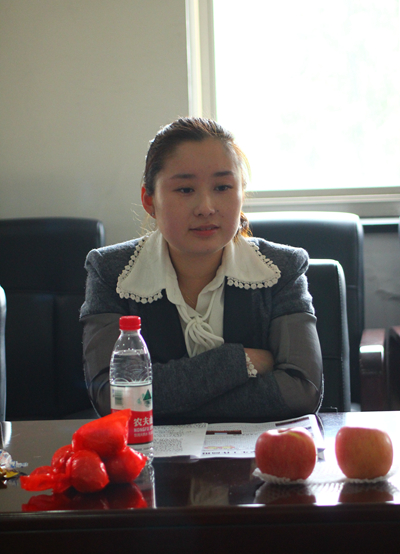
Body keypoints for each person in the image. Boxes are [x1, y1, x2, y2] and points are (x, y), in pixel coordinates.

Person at [80, 117, 323, 425]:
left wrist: (167, 397)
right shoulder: (112, 272)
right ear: (149, 200)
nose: (206, 207)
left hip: (258, 453)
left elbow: (302, 391)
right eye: (185, 189)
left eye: (222, 187)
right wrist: (239, 362)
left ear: (241, 193)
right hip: (151, 453)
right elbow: (112, 397)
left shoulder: (281, 269)